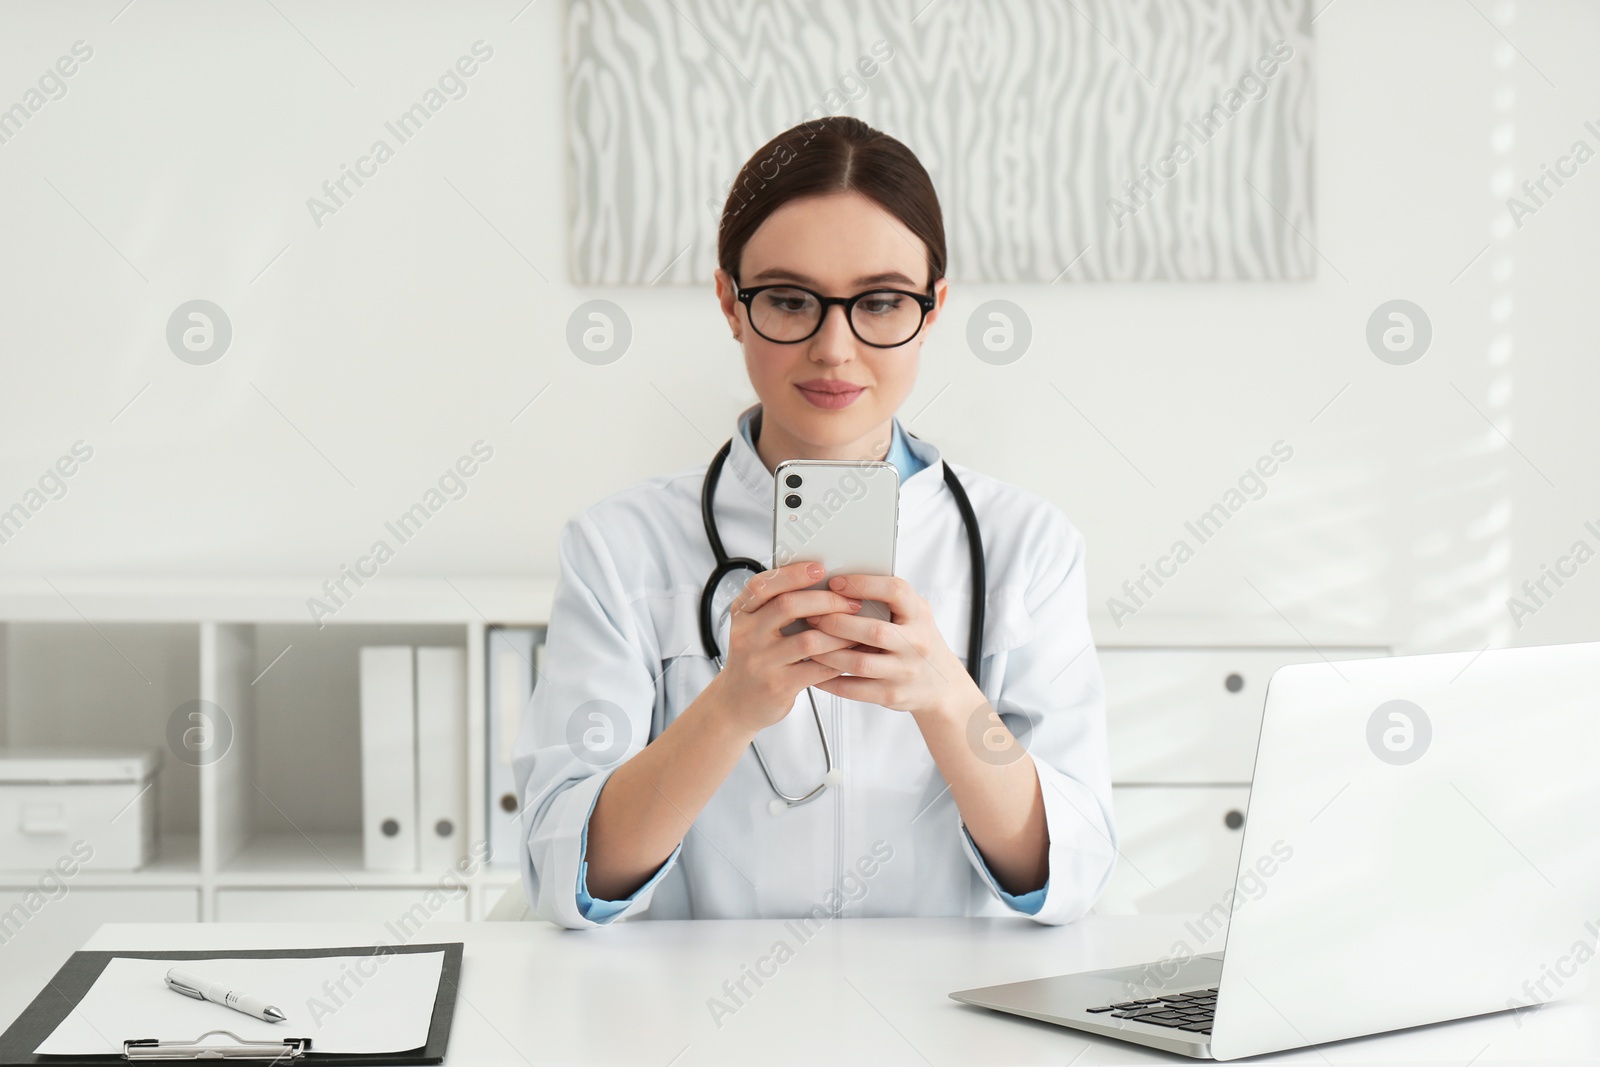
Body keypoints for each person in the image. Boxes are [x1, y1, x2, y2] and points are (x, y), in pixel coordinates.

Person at [513, 116, 1115, 928]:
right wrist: (730, 706)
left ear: (932, 309)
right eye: (791, 300)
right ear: (731, 302)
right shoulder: (619, 547)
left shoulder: (1027, 545)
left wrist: (947, 697)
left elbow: (1071, 872)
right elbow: (566, 873)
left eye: (880, 301)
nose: (835, 348)